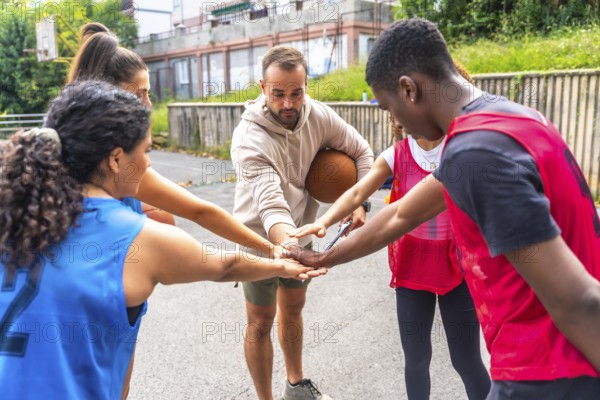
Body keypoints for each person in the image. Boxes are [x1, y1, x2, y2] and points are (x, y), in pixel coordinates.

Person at [285, 18, 600, 399]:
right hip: (555, 365)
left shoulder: (477, 151)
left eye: (390, 106)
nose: (396, 121)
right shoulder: (506, 120)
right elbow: (402, 215)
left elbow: (577, 300)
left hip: (548, 374)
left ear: (409, 89)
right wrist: (324, 258)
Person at [0, 81, 324, 400]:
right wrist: (283, 264)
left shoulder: (15, 214)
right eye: (146, 151)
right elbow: (226, 265)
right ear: (115, 160)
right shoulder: (131, 236)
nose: (149, 163)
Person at [290, 62, 491, 400]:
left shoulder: (460, 148)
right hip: (413, 265)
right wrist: (324, 221)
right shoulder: (397, 154)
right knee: (416, 359)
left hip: (458, 265)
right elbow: (357, 192)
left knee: (466, 360)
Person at [231, 45, 374, 400]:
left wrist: (359, 201)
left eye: (296, 92)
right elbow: (271, 208)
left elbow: (362, 153)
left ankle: (295, 385)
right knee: (261, 320)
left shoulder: (319, 116)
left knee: (293, 310)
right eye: (278, 93)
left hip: (303, 230)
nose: (288, 103)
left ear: (306, 84)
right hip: (260, 238)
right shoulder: (250, 138)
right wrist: (287, 248)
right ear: (263, 87)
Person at [67, 23, 277, 258]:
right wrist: (272, 250)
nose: (147, 104)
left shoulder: (69, 148)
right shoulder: (117, 164)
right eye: (138, 95)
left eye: (148, 93)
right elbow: (200, 212)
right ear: (108, 95)